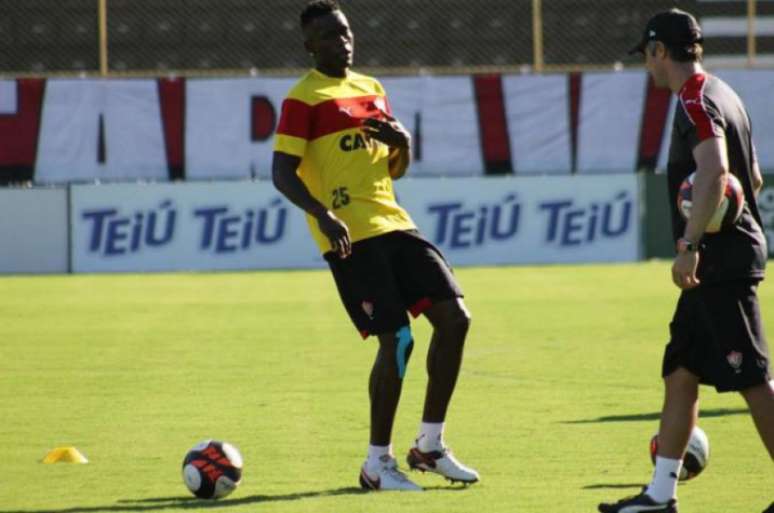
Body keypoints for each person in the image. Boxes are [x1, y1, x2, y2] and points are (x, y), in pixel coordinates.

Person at [271, 0, 479, 492]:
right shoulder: (303, 98)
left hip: (395, 223)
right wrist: (323, 215)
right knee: (399, 339)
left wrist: (403, 142)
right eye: (328, 35)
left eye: (344, 32)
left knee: (455, 319)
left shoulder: (372, 88)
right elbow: (281, 173)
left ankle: (429, 444)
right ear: (309, 45)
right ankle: (376, 464)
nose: (341, 41)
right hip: (351, 236)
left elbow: (392, 167)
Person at [599, 8, 773, 513]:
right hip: (722, 258)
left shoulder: (694, 98)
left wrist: (691, 243)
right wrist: (714, 207)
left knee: (753, 378)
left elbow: (717, 170)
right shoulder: (724, 93)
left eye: (647, 56)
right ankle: (659, 495)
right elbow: (753, 178)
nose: (646, 67)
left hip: (720, 262)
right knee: (681, 370)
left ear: (659, 50)